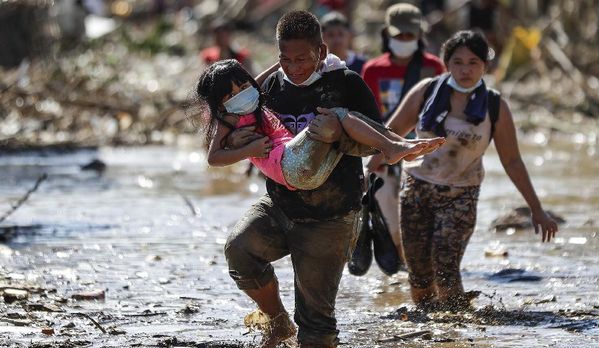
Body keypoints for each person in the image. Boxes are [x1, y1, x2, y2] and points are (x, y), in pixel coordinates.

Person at [221, 10, 410, 348]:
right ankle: (278, 322)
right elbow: (237, 126)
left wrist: (339, 137)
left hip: (331, 215)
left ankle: (321, 344)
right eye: (285, 59)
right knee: (240, 250)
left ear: (321, 52)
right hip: (280, 206)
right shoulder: (270, 88)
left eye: (302, 59)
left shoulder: (346, 84)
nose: (294, 67)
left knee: (314, 345)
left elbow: (374, 143)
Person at [367, 30, 558, 310]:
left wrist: (536, 209)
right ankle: (430, 328)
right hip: (416, 190)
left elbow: (513, 161)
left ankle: (456, 325)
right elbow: (391, 134)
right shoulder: (426, 92)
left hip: (461, 195)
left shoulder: (495, 106)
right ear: (446, 64)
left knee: (445, 263)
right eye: (457, 62)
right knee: (419, 273)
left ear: (485, 66)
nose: (465, 69)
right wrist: (369, 170)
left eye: (473, 62)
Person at [195, 59, 443, 191]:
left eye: (243, 86)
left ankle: (396, 145)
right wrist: (248, 152)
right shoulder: (228, 119)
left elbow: (257, 81)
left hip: (305, 173)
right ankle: (392, 147)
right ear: (219, 103)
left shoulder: (251, 99)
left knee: (342, 134)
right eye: (231, 94)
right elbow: (213, 158)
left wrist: (281, 63)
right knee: (336, 114)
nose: (241, 94)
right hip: (289, 164)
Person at [359, 2, 446, 266]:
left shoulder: (434, 68)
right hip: (383, 150)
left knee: (419, 214)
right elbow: (367, 115)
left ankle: (417, 264)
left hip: (422, 151)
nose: (405, 40)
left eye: (410, 35)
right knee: (387, 208)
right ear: (387, 34)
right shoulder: (373, 70)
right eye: (400, 36)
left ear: (420, 35)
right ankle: (400, 262)